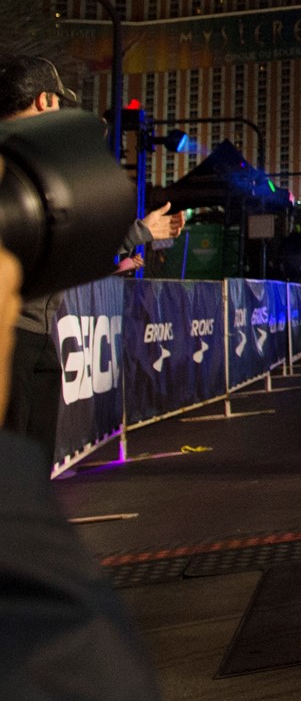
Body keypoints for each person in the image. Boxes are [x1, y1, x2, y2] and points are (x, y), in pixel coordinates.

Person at [0, 239, 164, 701]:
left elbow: (72, 260)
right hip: (23, 336)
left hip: (41, 338)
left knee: (34, 464)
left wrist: (132, 246)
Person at [0, 56, 183, 466]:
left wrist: (125, 246)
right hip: (11, 338)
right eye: (59, 104)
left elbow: (57, 240)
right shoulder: (15, 162)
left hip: (34, 338)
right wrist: (137, 233)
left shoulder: (31, 164)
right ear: (46, 102)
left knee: (28, 474)